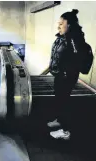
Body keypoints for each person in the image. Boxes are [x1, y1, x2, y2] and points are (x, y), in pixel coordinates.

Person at [47, 9, 86, 140]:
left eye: (61, 24)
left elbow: (76, 59)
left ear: (69, 25)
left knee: (64, 103)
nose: (58, 26)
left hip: (66, 77)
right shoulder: (62, 37)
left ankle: (66, 131)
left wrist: (66, 73)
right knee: (59, 101)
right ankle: (59, 120)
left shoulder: (74, 39)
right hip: (59, 75)